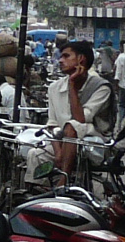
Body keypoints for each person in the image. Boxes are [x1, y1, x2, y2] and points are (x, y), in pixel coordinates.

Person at [45, 38, 114, 179]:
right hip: (60, 141)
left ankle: (63, 181)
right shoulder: (54, 88)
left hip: (92, 139)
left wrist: (72, 86)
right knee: (35, 154)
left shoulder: (101, 87)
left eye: (66, 56)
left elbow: (80, 119)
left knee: (72, 125)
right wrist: (58, 153)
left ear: (81, 59)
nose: (60, 60)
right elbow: (52, 125)